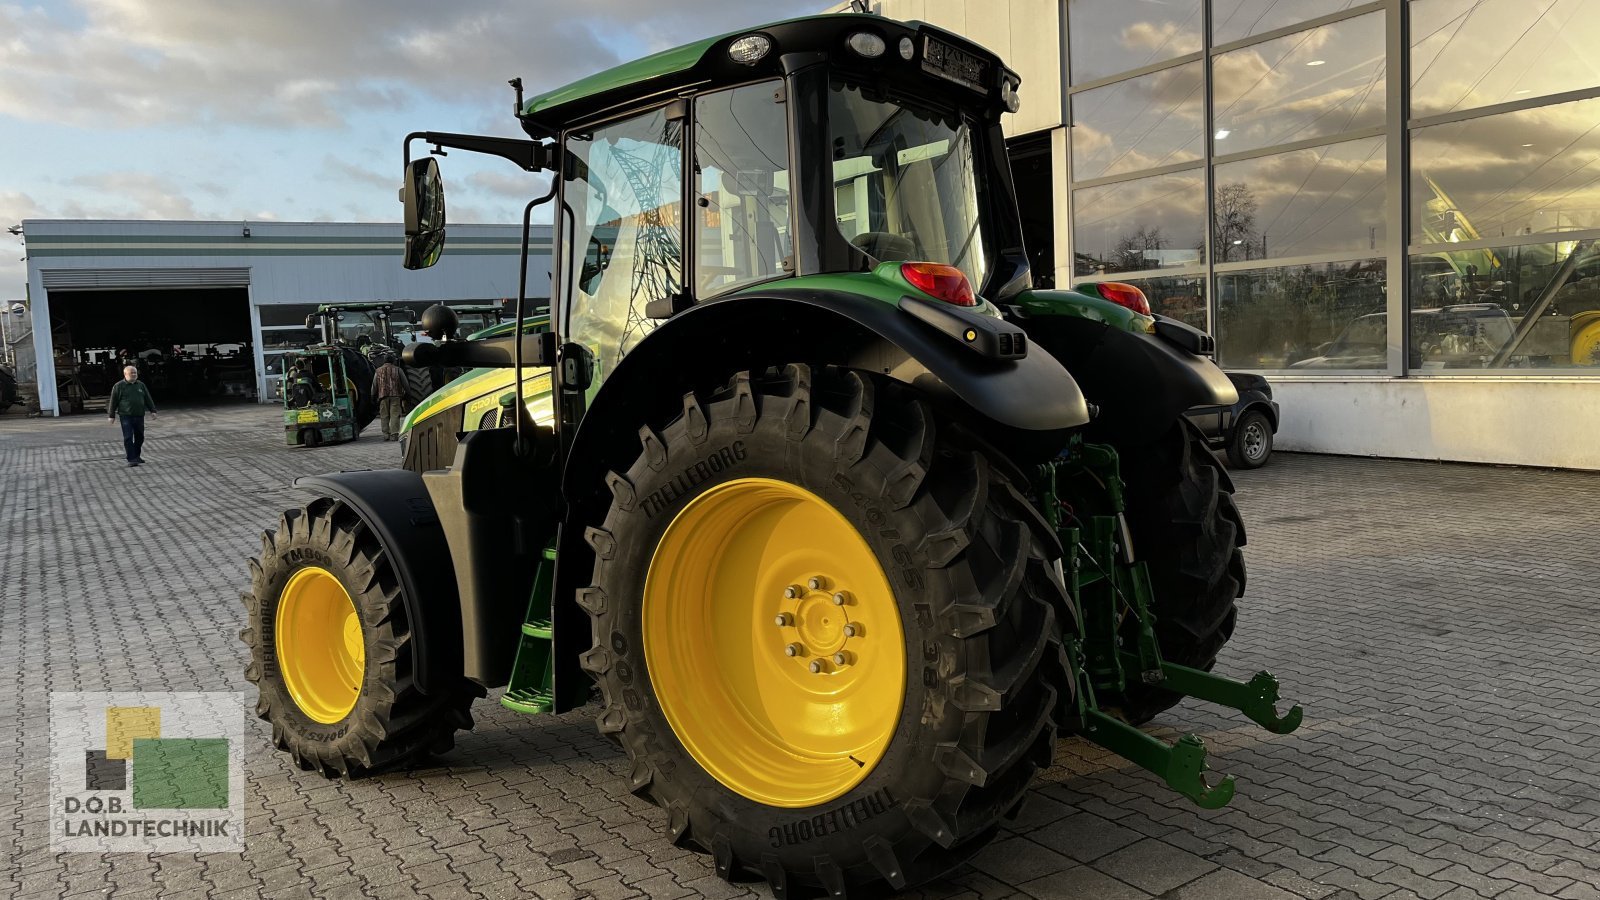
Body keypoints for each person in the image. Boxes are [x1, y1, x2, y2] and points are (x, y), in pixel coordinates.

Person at [107, 365, 157, 466]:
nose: (134, 375)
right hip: (126, 416)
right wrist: (111, 415)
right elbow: (113, 401)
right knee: (128, 437)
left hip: (139, 415)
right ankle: (131, 458)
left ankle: (136, 456)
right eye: (131, 373)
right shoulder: (118, 386)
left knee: (140, 437)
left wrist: (153, 410)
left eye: (135, 373)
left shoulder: (141, 385)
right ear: (125, 374)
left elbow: (148, 398)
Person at [371, 352, 406, 441]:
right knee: (395, 415)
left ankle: (386, 435)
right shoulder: (398, 370)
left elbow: (374, 385)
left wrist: (372, 395)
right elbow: (405, 383)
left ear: (384, 361)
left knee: (384, 415)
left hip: (383, 396)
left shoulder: (378, 371)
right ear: (393, 361)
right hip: (396, 396)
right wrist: (408, 394)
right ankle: (394, 435)